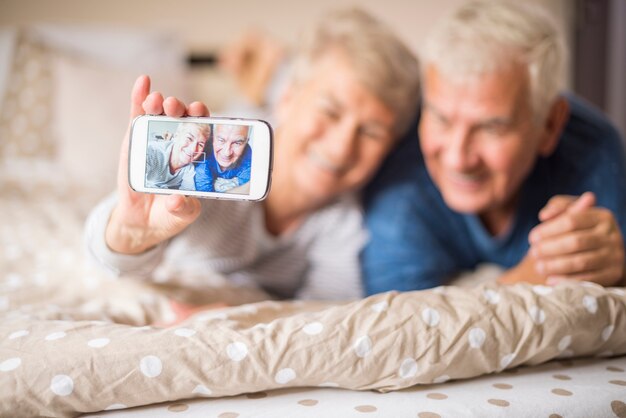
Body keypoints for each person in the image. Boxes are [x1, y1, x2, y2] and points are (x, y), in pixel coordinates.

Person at [85, 8, 420, 300]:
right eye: (330, 112)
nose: (342, 146)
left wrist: (237, 313)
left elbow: (324, 317)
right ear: (286, 98)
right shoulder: (211, 157)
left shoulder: (344, 222)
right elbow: (106, 258)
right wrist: (131, 232)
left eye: (371, 131)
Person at [362, 0, 626, 294]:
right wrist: (536, 275)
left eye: (490, 128)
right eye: (441, 119)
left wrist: (615, 268)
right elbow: (407, 327)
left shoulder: (593, 148)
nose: (457, 158)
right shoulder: (399, 173)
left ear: (550, 125)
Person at [145, 122, 210, 190]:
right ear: (176, 136)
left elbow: (187, 193)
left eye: (200, 145)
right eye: (189, 138)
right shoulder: (152, 151)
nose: (193, 149)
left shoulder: (189, 169)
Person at [194, 124, 252, 193]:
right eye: (221, 140)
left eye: (237, 143)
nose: (227, 153)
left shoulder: (249, 158)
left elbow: (245, 190)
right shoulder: (204, 157)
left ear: (246, 142)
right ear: (212, 138)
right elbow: (205, 195)